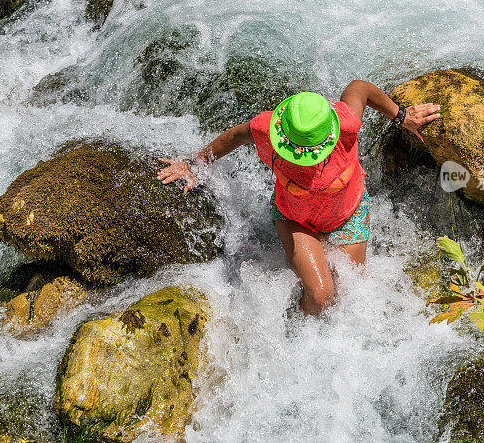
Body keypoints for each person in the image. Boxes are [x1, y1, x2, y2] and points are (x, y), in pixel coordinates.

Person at [157, 80, 441, 315]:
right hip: (296, 219)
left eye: (310, 152)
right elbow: (233, 136)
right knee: (321, 298)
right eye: (294, 150)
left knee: (349, 295)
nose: (302, 159)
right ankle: (293, 328)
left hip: (348, 214)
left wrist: (402, 116)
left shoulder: (346, 125)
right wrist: (194, 165)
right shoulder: (265, 127)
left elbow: (360, 89)